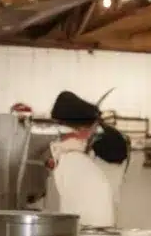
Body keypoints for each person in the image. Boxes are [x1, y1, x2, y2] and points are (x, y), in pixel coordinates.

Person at [45, 88, 129, 227]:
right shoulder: (72, 148)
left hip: (100, 222)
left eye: (67, 128)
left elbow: (117, 152)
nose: (64, 136)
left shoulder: (110, 138)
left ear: (81, 128)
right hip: (77, 220)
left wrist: (84, 146)